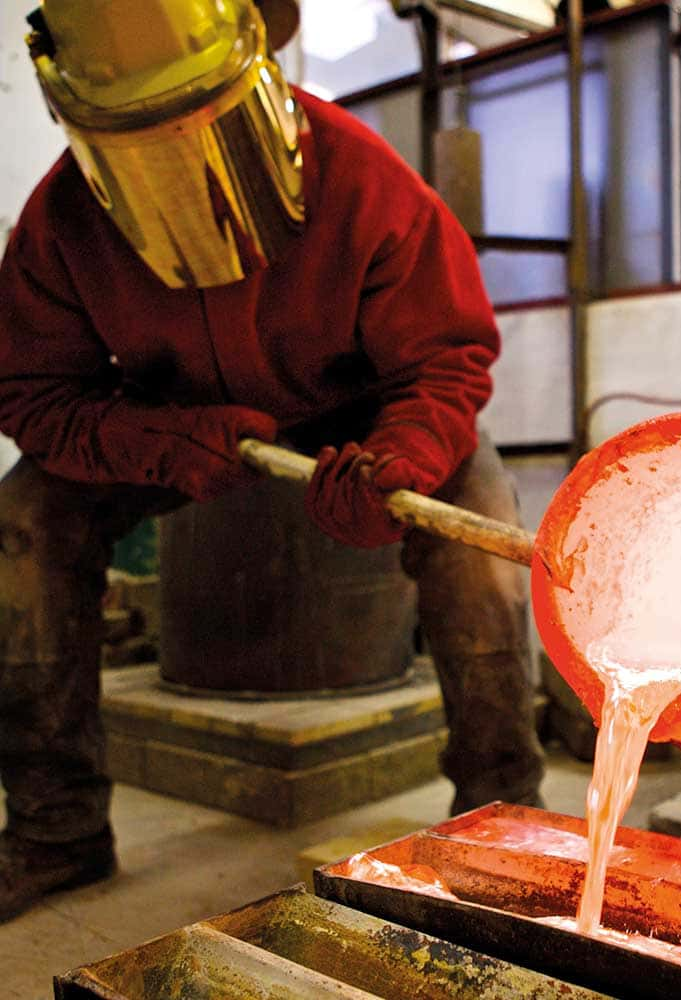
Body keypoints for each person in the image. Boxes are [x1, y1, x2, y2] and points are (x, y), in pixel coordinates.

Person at [0, 0, 544, 922]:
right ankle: (58, 830)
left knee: (480, 547)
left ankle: (501, 823)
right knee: (23, 521)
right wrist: (163, 443)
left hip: (368, 419)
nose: (177, 158)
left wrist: (401, 458)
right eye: (142, 140)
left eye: (197, 126)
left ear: (257, 75)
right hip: (182, 425)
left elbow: (446, 357)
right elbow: (33, 394)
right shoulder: (62, 223)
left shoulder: (362, 177)